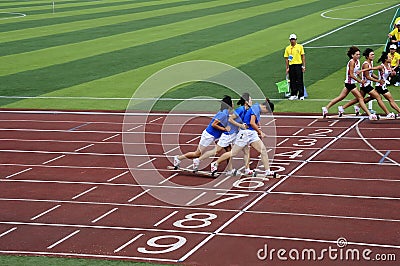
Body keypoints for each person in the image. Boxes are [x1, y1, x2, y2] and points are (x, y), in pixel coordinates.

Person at [210, 99, 278, 178]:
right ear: (265, 108)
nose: (265, 113)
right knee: (233, 153)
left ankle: (266, 171)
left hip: (252, 133)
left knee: (262, 150)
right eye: (267, 112)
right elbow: (252, 122)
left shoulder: (257, 108)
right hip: (245, 133)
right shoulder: (256, 108)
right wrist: (260, 132)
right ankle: (215, 163)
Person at [192, 93, 250, 176]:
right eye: (250, 99)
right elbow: (230, 120)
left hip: (234, 134)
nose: (233, 104)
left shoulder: (243, 110)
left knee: (244, 149)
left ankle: (237, 169)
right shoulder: (237, 110)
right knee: (216, 151)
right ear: (246, 102)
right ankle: (199, 160)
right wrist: (231, 127)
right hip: (228, 135)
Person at [173, 95, 232, 169]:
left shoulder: (225, 113)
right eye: (232, 102)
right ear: (229, 104)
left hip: (217, 135)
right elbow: (214, 124)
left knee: (229, 149)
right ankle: (178, 158)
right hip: (209, 135)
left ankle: (230, 169)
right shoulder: (223, 114)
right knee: (197, 154)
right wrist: (224, 129)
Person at [322, 46, 377, 120]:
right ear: (352, 55)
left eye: (359, 54)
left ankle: (327, 108)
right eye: (357, 54)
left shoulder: (358, 61)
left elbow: (357, 73)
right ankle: (369, 114)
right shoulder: (352, 62)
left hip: (351, 83)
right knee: (360, 98)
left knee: (341, 97)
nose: (358, 56)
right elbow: (351, 74)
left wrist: (361, 79)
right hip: (350, 83)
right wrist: (359, 81)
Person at [339, 48, 394, 119]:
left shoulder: (370, 62)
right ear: (367, 56)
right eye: (371, 55)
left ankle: (344, 108)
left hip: (365, 84)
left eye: (373, 54)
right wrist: (378, 81)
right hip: (365, 85)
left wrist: (378, 78)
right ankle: (388, 113)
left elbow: (371, 74)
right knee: (378, 97)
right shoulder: (366, 64)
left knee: (359, 99)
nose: (373, 56)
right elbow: (368, 77)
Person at [372, 51, 400, 116]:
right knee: (391, 100)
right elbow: (372, 68)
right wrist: (361, 71)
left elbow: (388, 75)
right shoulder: (381, 66)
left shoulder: (389, 65)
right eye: (389, 58)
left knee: (371, 98)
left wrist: (392, 74)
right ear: (385, 59)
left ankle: (359, 105)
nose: (390, 59)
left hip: (382, 85)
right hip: (380, 86)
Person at [284, 33, 306, 100]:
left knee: (299, 80)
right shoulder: (288, 48)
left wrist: (303, 66)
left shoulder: (300, 47)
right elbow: (286, 59)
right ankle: (293, 94)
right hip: (291, 66)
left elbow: (303, 56)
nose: (292, 41)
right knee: (292, 80)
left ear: (296, 40)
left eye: (293, 39)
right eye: (291, 39)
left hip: (298, 65)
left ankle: (301, 95)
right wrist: (287, 67)